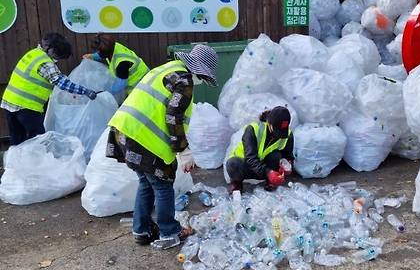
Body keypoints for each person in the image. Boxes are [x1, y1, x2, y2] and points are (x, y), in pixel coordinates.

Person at [106, 44, 218, 249]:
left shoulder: (166, 69)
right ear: (198, 71)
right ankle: (169, 231)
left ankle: (141, 230)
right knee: (162, 184)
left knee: (146, 182)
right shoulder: (184, 80)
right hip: (142, 139)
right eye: (202, 77)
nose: (200, 82)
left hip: (124, 130)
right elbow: (173, 117)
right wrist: (183, 150)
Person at [1, 32, 98, 146]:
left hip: (9, 103)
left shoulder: (33, 54)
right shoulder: (45, 63)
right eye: (58, 55)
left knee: (17, 140)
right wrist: (85, 91)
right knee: (39, 140)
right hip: (26, 107)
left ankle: (14, 163)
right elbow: (62, 83)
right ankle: (37, 163)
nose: (57, 59)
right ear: (50, 49)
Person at [226, 106, 294, 194]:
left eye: (282, 131)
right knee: (232, 163)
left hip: (267, 168)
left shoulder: (288, 135)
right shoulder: (253, 129)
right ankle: (237, 185)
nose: (279, 135)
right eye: (277, 130)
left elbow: (288, 155)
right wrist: (268, 172)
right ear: (269, 123)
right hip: (247, 166)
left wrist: (287, 166)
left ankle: (271, 183)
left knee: (276, 155)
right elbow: (250, 158)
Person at [83, 34, 149, 96]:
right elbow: (103, 53)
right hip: (144, 80)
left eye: (98, 51)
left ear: (105, 52)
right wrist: (93, 56)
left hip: (142, 88)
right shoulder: (113, 46)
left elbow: (119, 85)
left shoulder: (122, 64)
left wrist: (104, 94)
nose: (97, 52)